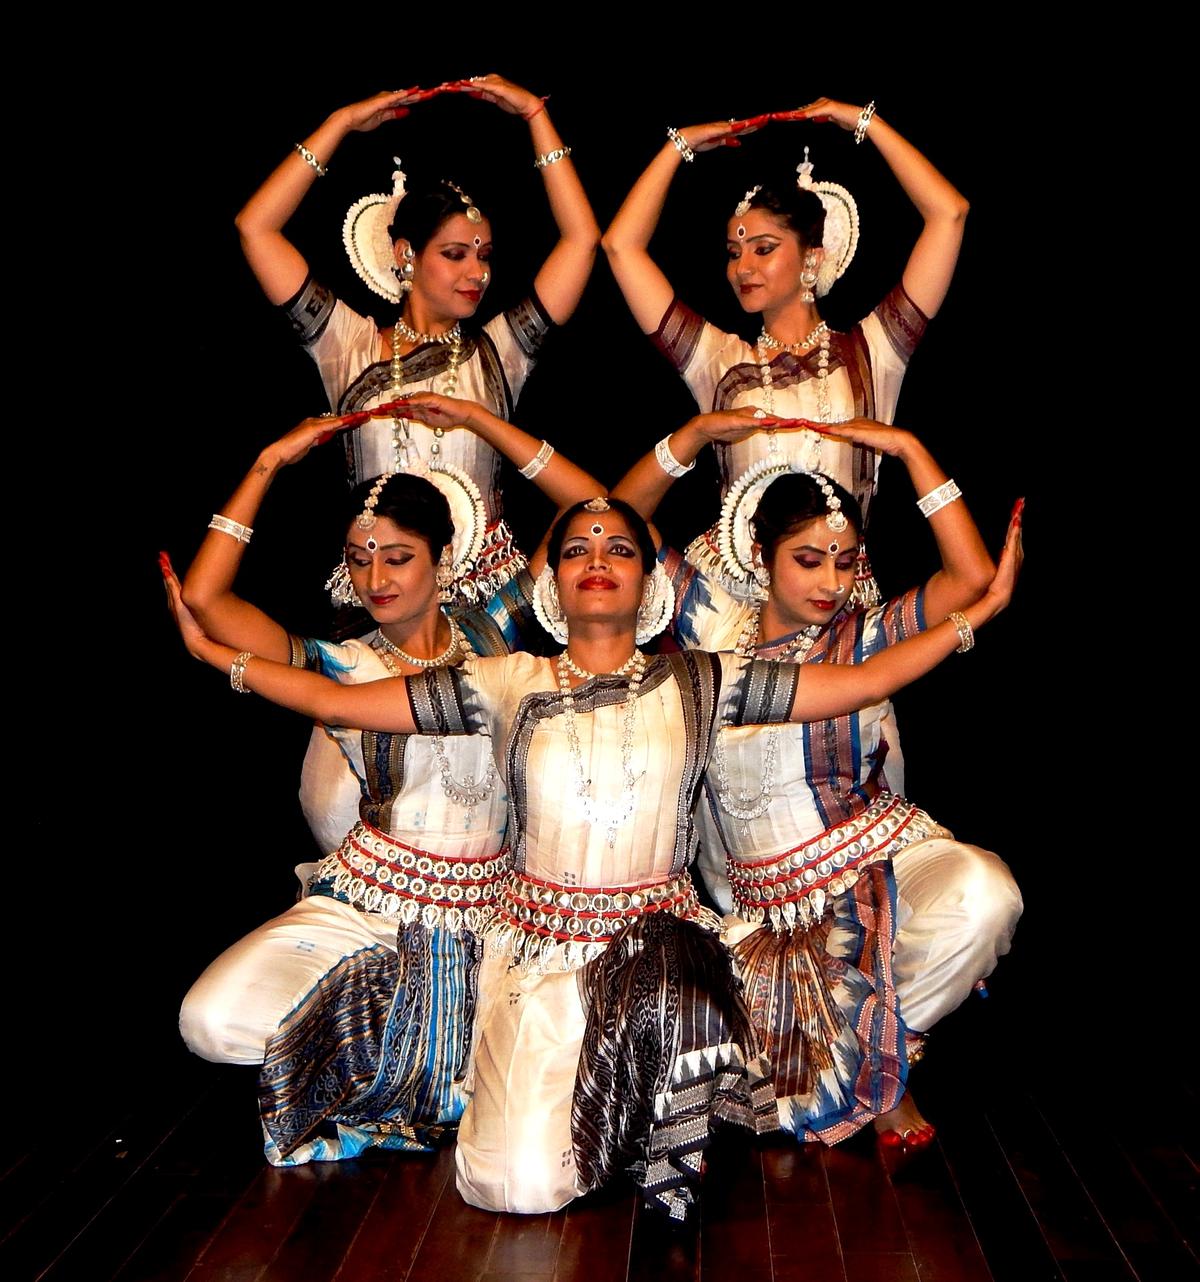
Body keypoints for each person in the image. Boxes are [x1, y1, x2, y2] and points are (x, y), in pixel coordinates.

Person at [167, 493, 1020, 1214]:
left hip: (657, 945)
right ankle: (636, 1106)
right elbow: (327, 691)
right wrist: (222, 660)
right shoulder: (501, 683)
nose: (597, 558)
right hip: (539, 954)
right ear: (554, 583)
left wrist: (974, 618)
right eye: (576, 549)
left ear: (649, 584)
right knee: (510, 1188)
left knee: (680, 970)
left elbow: (868, 681)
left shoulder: (705, 678)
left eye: (619, 547)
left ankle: (674, 1052)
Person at [171, 400, 601, 1165]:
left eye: (398, 557)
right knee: (210, 1021)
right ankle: (405, 1034)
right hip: (370, 905)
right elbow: (205, 599)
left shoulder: (497, 632)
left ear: (443, 558)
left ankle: (442, 1049)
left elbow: (589, 507)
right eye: (360, 557)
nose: (375, 578)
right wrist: (269, 462)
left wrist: (478, 420)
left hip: (496, 918)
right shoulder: (343, 663)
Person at [613, 409, 1023, 1145]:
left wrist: (908, 446)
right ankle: (868, 1075)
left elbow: (971, 577)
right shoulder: (706, 624)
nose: (834, 581)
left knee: (984, 894)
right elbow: (617, 518)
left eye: (845, 561)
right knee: (722, 1060)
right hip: (763, 913)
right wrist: (695, 437)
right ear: (761, 554)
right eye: (809, 560)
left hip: (879, 854)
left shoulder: (861, 637)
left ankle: (885, 1066)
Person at [236, 75, 600, 598]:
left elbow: (582, 240)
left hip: (490, 615)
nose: (478, 272)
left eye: (485, 255)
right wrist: (338, 125)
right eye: (455, 255)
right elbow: (256, 228)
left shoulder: (498, 349)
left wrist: (536, 119)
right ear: (407, 255)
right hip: (378, 606)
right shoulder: (348, 343)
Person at [602, 96, 968, 593]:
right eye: (734, 252)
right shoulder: (719, 358)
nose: (742, 268)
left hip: (835, 602)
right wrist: (679, 147)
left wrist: (863, 122)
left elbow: (949, 213)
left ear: (812, 258)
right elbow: (620, 247)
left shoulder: (873, 350)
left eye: (764, 249)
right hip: (729, 608)